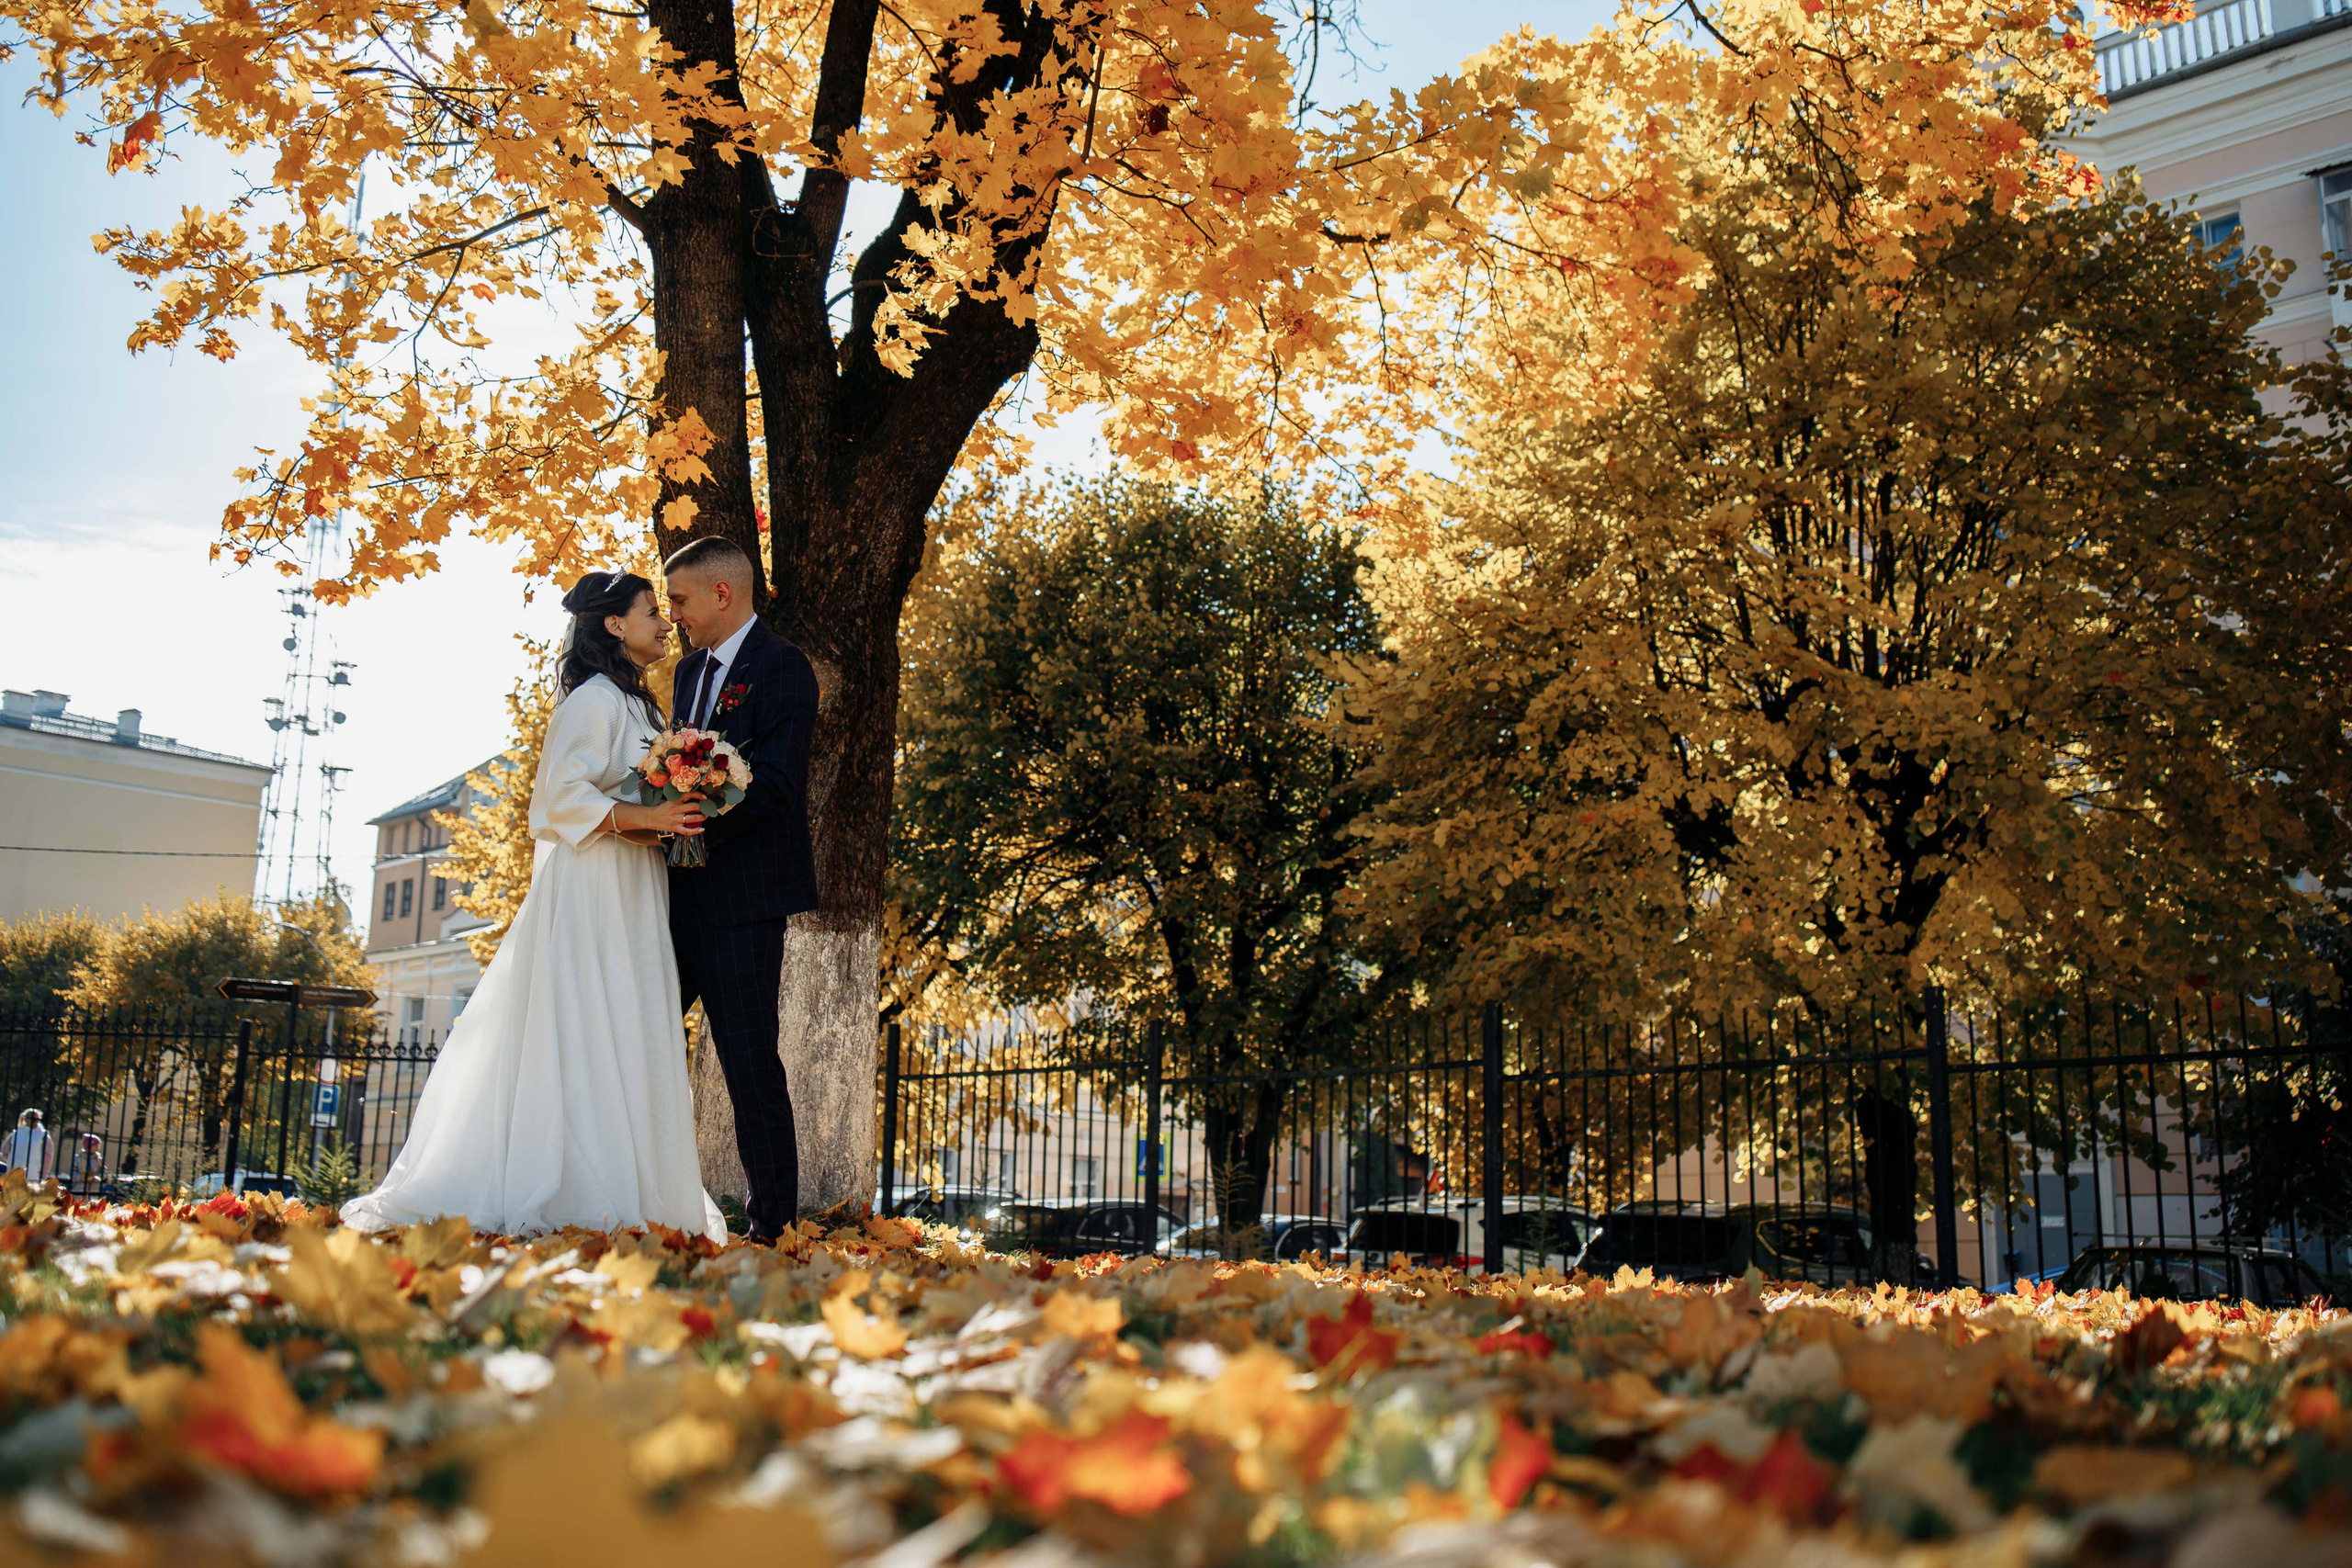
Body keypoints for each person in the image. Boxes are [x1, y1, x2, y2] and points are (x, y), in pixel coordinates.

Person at [343, 570, 725, 1241]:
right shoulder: (594, 699)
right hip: (594, 883)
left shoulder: (641, 706)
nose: (665, 624)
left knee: (626, 1019)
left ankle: (631, 1187)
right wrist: (651, 817)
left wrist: (671, 819)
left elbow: (625, 797)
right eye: (651, 612)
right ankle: (573, 1187)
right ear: (615, 624)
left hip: (633, 879)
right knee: (587, 1022)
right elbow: (557, 800)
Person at [662, 536, 820, 1242]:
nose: (674, 614)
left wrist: (690, 818)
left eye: (680, 600)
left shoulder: (783, 667)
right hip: (674, 899)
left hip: (745, 905)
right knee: (632, 1038)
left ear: (721, 593)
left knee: (750, 1066)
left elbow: (777, 786)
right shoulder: (686, 672)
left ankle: (773, 1229)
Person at [1, 1110, 52, 1183]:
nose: (35, 1122)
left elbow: (48, 1156)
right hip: (14, 1174)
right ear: (25, 1119)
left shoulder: (43, 1135)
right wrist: (13, 1162)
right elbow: (4, 1153)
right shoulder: (16, 1133)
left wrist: (43, 1174)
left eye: (37, 1119)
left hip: (33, 1175)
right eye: (33, 1119)